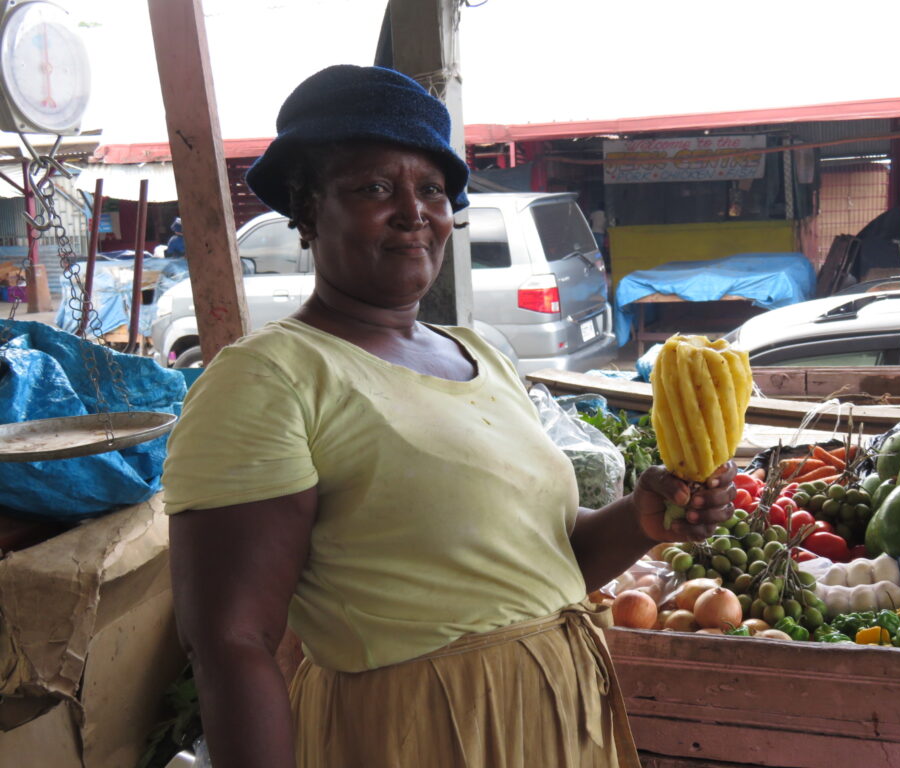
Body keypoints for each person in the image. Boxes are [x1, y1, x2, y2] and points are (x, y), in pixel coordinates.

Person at [161, 64, 737, 768]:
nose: (414, 212)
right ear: (308, 211)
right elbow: (231, 641)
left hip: (560, 721)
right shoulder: (270, 379)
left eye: (431, 188)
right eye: (375, 187)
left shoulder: (480, 354)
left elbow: (540, 567)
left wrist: (639, 523)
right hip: (419, 736)